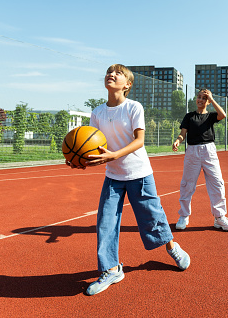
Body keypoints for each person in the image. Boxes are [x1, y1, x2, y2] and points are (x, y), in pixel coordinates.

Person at [67, 64, 190, 296]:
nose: (111, 75)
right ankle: (112, 269)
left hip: (139, 173)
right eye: (108, 72)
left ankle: (172, 247)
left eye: (118, 73)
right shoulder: (98, 113)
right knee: (105, 222)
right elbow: (92, 144)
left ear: (128, 85)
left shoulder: (133, 107)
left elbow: (139, 141)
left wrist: (114, 154)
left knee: (152, 218)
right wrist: (78, 159)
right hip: (113, 176)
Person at [172, 89, 228, 232]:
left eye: (204, 98)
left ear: (208, 101)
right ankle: (184, 216)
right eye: (199, 97)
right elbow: (183, 134)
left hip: (209, 151)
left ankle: (219, 217)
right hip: (192, 151)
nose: (200, 100)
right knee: (187, 184)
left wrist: (212, 99)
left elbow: (223, 115)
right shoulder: (189, 116)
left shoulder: (211, 116)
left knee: (217, 183)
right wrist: (178, 141)